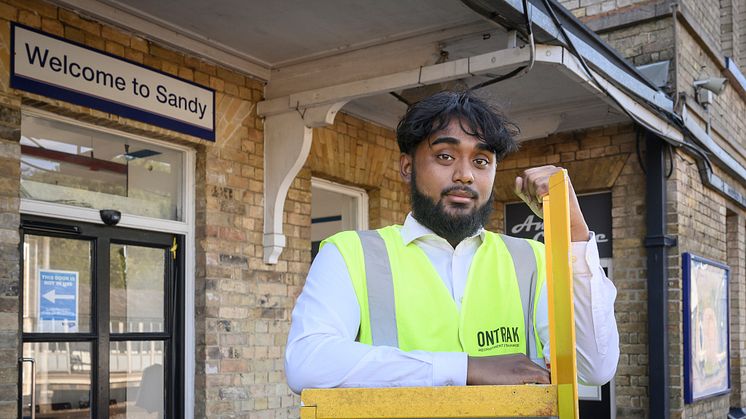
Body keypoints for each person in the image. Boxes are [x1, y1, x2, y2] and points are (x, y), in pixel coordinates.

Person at [285, 91, 619, 393]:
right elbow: (307, 363)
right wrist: (467, 368)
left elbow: (594, 367)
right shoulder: (348, 253)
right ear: (407, 166)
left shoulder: (533, 259)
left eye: (481, 160)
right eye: (445, 156)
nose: (465, 174)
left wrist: (575, 232)